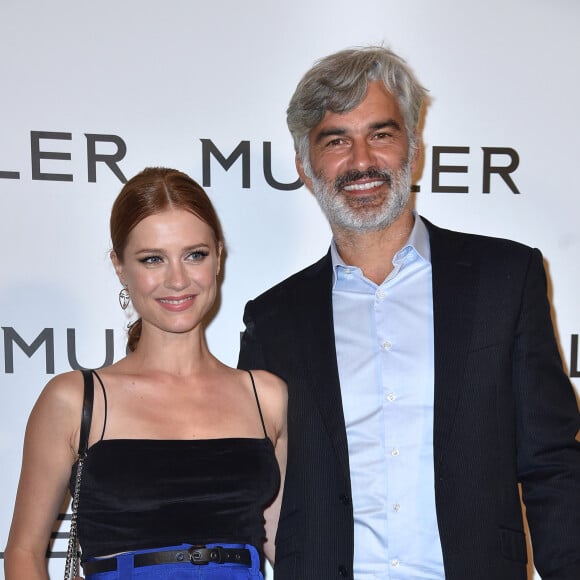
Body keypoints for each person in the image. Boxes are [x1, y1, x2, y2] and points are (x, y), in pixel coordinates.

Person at [237, 46, 580, 580]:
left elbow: (554, 465)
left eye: (381, 133)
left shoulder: (505, 279)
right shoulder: (273, 320)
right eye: (336, 140)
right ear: (305, 166)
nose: (361, 161)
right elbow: (253, 492)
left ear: (414, 149)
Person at [4, 167, 287, 580]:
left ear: (219, 257)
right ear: (120, 267)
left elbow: (288, 544)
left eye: (195, 255)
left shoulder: (266, 397)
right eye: (152, 259)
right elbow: (24, 553)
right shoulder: (77, 400)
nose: (177, 279)